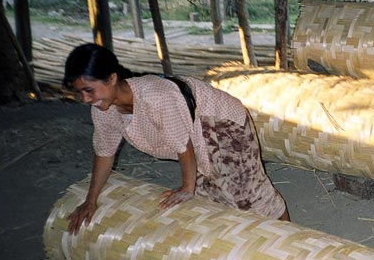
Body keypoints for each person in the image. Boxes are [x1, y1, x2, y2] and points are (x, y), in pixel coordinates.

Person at [63, 43, 290, 233]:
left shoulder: (157, 96)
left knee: (246, 195)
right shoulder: (104, 110)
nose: (84, 98)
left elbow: (183, 145)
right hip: (194, 131)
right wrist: (90, 200)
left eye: (89, 90)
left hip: (222, 124)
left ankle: (289, 235)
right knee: (212, 195)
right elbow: (104, 153)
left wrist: (187, 187)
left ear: (111, 78)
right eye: (79, 92)